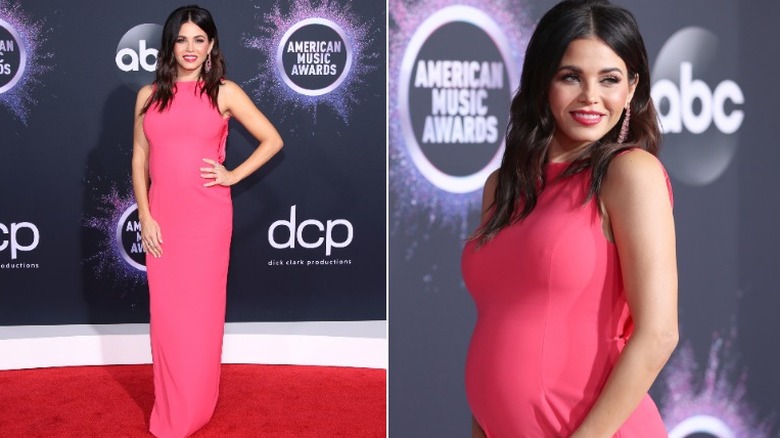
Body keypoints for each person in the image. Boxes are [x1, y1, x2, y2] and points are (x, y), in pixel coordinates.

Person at [461, 0, 678, 436]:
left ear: (632, 87)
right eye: (571, 77)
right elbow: (497, 333)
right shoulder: (502, 187)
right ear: (543, 81)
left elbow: (658, 334)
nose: (591, 97)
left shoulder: (630, 174)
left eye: (610, 79)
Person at [131, 5, 283, 437]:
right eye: (182, 39)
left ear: (212, 44)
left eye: (199, 39)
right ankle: (171, 405)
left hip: (207, 220)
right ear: (170, 45)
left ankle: (194, 408)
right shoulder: (148, 96)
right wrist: (145, 213)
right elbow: (140, 156)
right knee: (166, 316)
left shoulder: (224, 92)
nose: (190, 48)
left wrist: (231, 174)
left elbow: (273, 139)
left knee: (200, 316)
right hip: (162, 218)